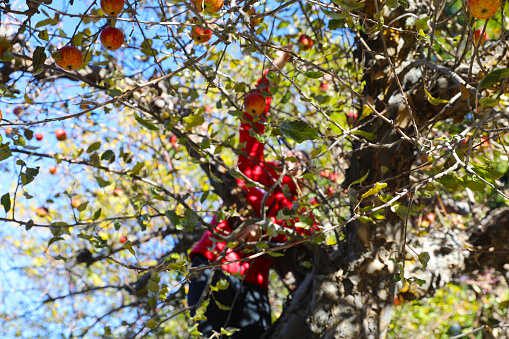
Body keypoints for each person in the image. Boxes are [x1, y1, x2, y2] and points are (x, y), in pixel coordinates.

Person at [187, 69, 312, 339]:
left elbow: (306, 234)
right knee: (204, 332)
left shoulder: (295, 207)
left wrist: (264, 231)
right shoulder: (255, 170)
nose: (296, 162)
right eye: (294, 154)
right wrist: (272, 70)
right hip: (215, 260)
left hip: (254, 280)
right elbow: (252, 121)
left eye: (303, 163)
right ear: (284, 155)